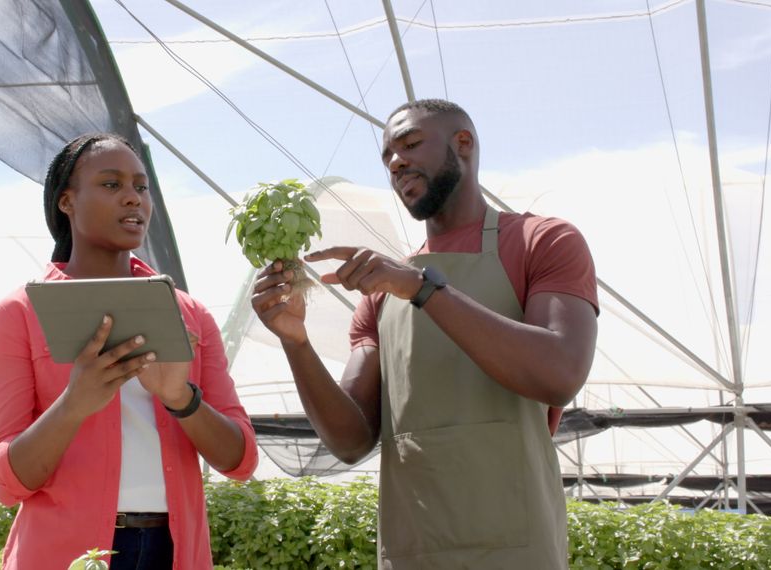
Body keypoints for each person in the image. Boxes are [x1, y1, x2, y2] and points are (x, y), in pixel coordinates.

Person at [251, 99, 598, 569]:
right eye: (387, 156)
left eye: (411, 144)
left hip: (518, 548)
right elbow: (350, 440)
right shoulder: (381, 293)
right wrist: (296, 342)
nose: (396, 163)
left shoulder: (543, 241)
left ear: (464, 144)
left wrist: (422, 288)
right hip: (413, 550)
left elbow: (559, 373)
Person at [0, 133, 258, 570]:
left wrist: (180, 399)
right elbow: (4, 482)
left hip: (172, 553)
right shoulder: (19, 313)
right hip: (63, 554)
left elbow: (240, 460)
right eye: (111, 185)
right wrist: (73, 404)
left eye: (141, 187)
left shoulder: (190, 314)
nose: (133, 198)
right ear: (66, 202)